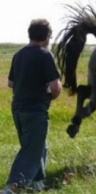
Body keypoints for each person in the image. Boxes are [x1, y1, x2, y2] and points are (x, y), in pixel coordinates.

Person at [1, 18, 62, 194]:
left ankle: (38, 183)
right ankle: (11, 188)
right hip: (35, 110)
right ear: (47, 36)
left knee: (38, 145)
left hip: (17, 108)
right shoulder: (45, 54)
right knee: (31, 150)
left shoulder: (18, 55)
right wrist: (51, 96)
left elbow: (11, 83)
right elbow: (55, 87)